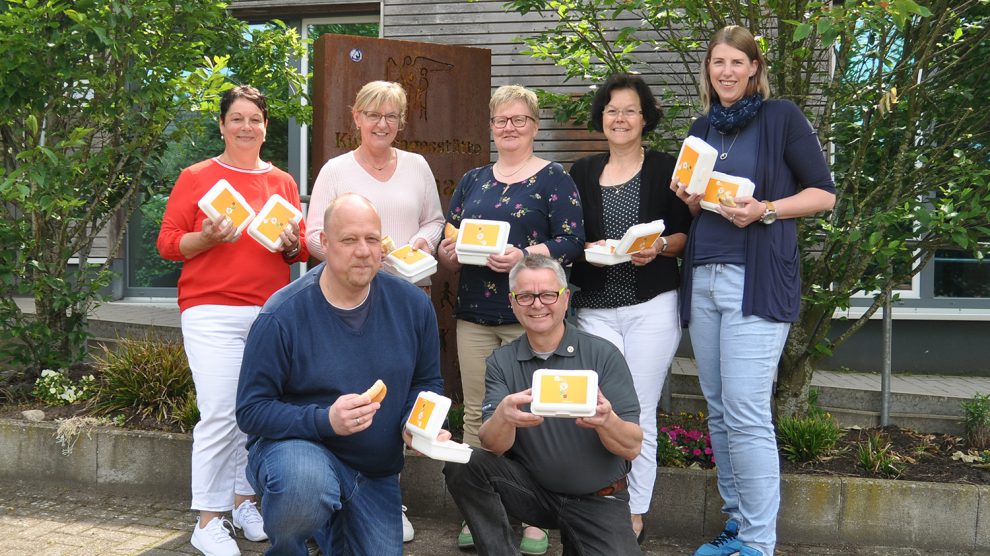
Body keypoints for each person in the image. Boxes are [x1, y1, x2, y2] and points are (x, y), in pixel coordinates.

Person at [670, 26, 836, 556]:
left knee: (745, 410)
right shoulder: (702, 128)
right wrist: (688, 199)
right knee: (718, 409)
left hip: (756, 279)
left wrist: (765, 209)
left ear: (754, 69)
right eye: (717, 62)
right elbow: (699, 209)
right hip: (705, 278)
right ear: (708, 70)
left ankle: (760, 544)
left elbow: (823, 195)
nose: (726, 71)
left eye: (737, 62)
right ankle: (736, 525)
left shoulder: (780, 116)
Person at [235, 193, 444, 556]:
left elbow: (426, 382)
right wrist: (325, 419)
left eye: (372, 239)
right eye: (349, 240)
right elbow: (251, 410)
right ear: (325, 244)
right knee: (303, 488)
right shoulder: (281, 315)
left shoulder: (414, 305)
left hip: (374, 469)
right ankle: (295, 544)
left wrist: (416, 423)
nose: (363, 251)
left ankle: (329, 529)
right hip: (299, 451)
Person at [157, 85, 306, 556]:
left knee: (255, 414)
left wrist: (289, 244)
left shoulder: (282, 181)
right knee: (221, 412)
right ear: (221, 125)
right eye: (236, 119)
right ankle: (207, 519)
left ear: (266, 126)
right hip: (211, 309)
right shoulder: (197, 176)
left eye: (255, 119)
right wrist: (205, 238)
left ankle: (244, 503)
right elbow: (167, 243)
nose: (246, 127)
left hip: (269, 312)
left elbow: (299, 248)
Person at [436, 84, 585, 553]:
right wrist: (449, 253)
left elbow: (572, 241)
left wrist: (526, 254)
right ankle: (480, 513)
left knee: (537, 414)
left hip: (534, 317)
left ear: (535, 126)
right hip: (475, 313)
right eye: (501, 120)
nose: (509, 128)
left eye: (519, 120)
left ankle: (536, 520)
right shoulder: (473, 179)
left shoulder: (554, 177)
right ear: (492, 126)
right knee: (480, 415)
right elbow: (451, 241)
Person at [443, 254, 643, 556]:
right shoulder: (503, 361)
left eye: (548, 294)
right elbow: (492, 446)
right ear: (512, 302)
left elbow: (632, 447)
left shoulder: (603, 355)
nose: (537, 304)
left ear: (565, 299)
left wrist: (607, 421)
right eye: (525, 296)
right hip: (534, 493)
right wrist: (503, 416)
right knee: (464, 463)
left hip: (597, 498)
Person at [569, 73, 693, 543]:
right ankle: (600, 502)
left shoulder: (666, 169)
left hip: (651, 307)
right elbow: (570, 238)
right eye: (612, 110)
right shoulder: (579, 173)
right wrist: (588, 247)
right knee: (596, 408)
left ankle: (635, 512)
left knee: (637, 410)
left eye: (630, 111)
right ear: (602, 118)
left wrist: (658, 246)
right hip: (595, 308)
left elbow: (684, 238)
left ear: (645, 119)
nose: (620, 118)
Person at [306, 80, 444, 295]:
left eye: (391, 116)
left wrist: (425, 240)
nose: (383, 124)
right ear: (357, 118)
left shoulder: (417, 165)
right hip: (354, 289)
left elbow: (434, 221)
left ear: (400, 122)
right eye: (374, 115)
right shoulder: (334, 170)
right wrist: (359, 257)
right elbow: (315, 236)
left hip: (412, 287)